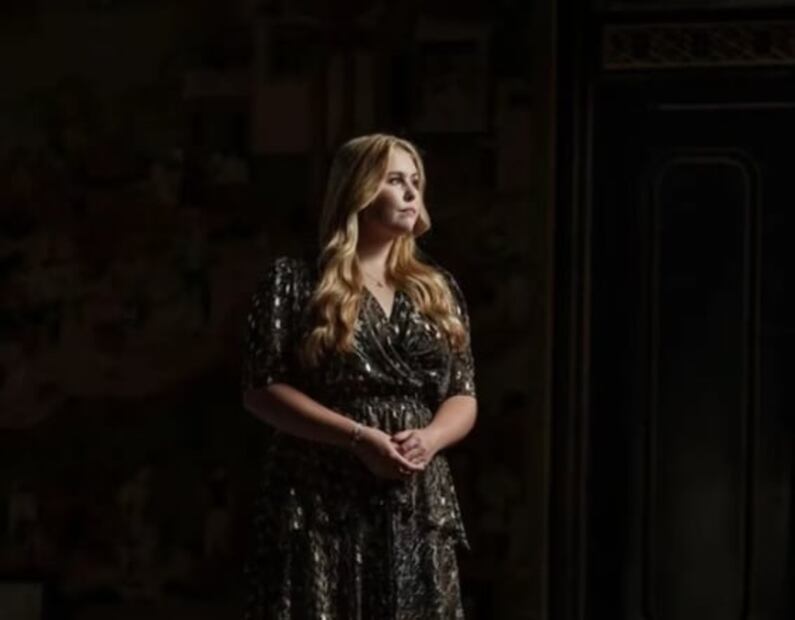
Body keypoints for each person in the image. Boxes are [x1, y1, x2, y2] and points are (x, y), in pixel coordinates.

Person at [241, 133, 478, 619]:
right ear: (359, 189)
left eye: (416, 181)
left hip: (415, 492)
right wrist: (356, 438)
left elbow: (462, 393)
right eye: (395, 180)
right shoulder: (294, 280)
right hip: (322, 489)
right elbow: (262, 389)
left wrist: (431, 439)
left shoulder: (436, 290)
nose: (411, 193)